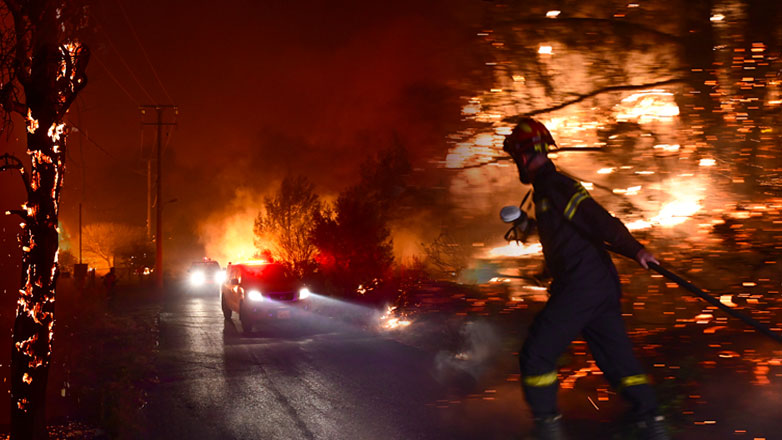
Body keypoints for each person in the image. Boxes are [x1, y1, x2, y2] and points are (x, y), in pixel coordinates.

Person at [503, 118, 669, 440]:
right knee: (616, 359)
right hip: (598, 286)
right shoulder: (547, 193)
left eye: (515, 158)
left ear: (522, 156)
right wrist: (542, 265)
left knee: (536, 353)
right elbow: (566, 239)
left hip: (583, 286)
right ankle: (654, 423)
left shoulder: (556, 187)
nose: (517, 164)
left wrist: (636, 251)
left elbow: (597, 220)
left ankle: (547, 428)